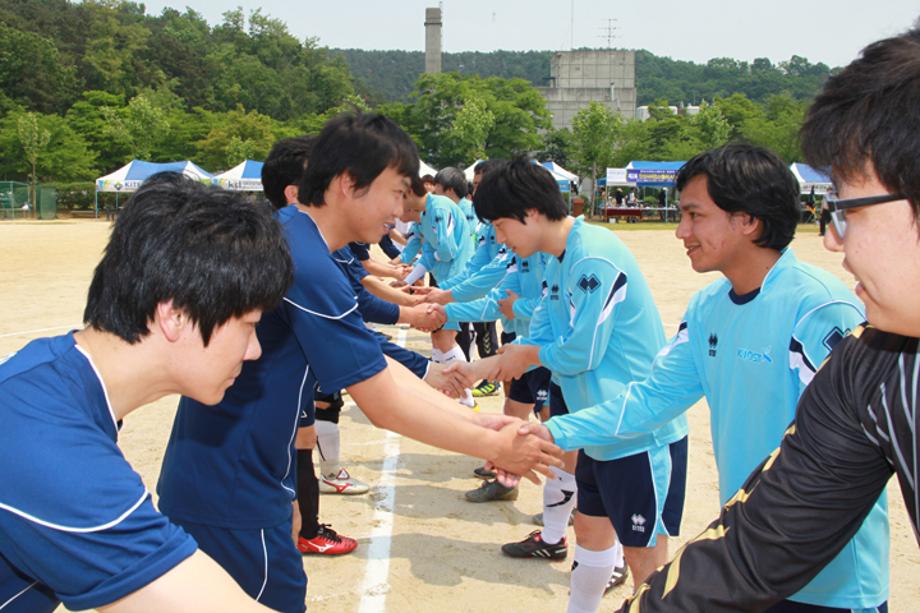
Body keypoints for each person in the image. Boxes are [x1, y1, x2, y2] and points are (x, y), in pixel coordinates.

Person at [156, 114, 562, 612]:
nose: (400, 210)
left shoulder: (300, 243)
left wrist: (481, 420)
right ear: (349, 184)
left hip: (243, 478)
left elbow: (368, 363)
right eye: (395, 192)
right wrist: (493, 441)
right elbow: (382, 402)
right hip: (231, 487)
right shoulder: (303, 260)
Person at [614, 25, 920, 612]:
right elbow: (764, 538)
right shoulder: (872, 365)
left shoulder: (823, 311)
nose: (834, 242)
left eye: (848, 211)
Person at [528, 144, 889, 612]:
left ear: (748, 220)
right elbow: (651, 399)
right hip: (752, 564)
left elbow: (846, 459)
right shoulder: (707, 308)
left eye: (695, 215)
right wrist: (551, 430)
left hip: (830, 585)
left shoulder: (818, 310)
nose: (681, 231)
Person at [0, 175, 293, 612]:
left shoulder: (51, 381)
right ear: (175, 314)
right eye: (249, 325)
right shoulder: (45, 443)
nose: (255, 351)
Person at [467, 158, 689, 612]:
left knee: (644, 560)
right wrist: (483, 366)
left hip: (635, 432)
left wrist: (525, 355)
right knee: (589, 532)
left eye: (502, 226)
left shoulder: (592, 254)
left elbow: (581, 352)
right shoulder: (556, 258)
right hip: (595, 428)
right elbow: (545, 334)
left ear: (530, 212)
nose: (501, 239)